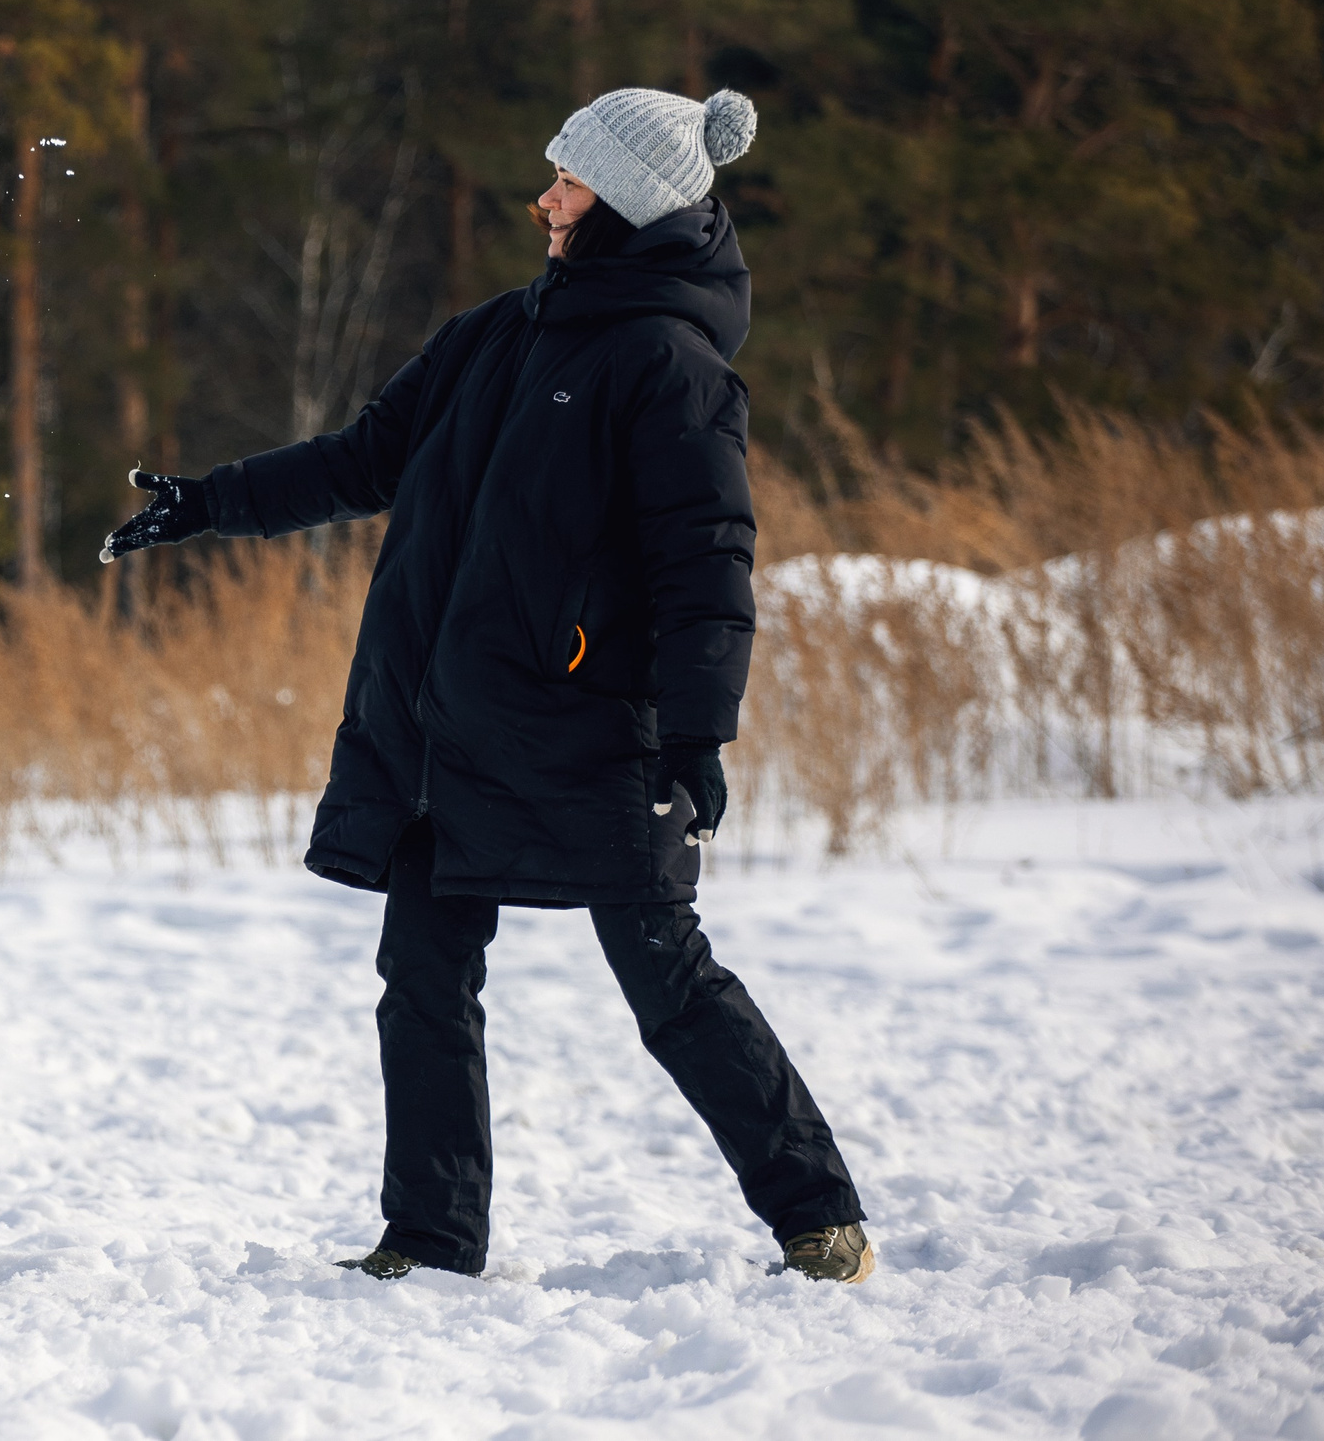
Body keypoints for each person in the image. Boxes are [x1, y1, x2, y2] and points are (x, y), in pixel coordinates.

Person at [99, 86, 872, 1285]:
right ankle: (430, 1237)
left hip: (585, 727)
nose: (541, 199)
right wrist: (210, 502)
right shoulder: (495, 334)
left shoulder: (669, 367)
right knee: (421, 976)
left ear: (618, 203)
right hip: (437, 720)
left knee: (665, 977)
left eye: (563, 182)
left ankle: (818, 1217)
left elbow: (704, 564)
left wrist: (696, 737)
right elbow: (366, 459)